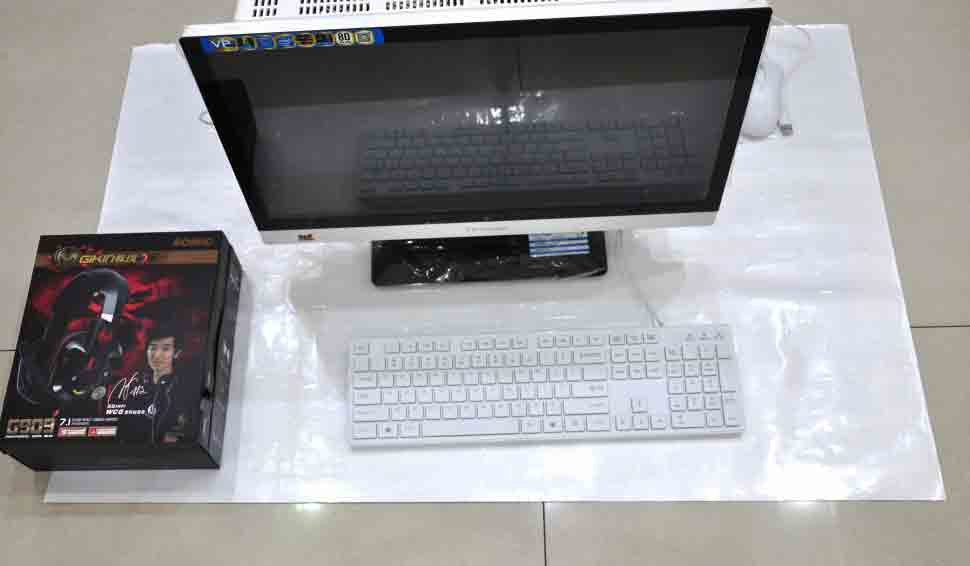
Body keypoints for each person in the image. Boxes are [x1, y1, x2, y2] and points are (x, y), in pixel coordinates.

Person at [107, 322, 190, 443]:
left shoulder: (184, 389)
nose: (157, 355)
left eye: (165, 349)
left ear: (176, 353)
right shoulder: (133, 384)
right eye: (153, 348)